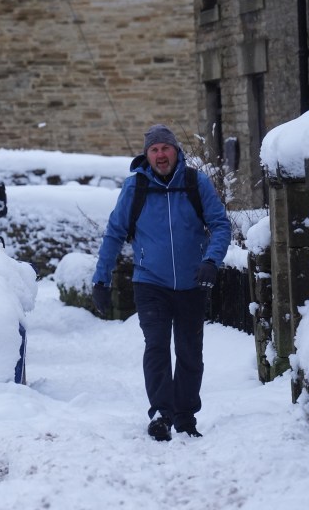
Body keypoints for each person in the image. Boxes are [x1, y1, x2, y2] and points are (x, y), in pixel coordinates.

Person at [92, 124, 231, 442]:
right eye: (153, 150)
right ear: (147, 155)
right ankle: (160, 413)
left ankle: (185, 416)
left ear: (175, 151)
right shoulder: (136, 187)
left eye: (164, 148)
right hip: (150, 282)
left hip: (192, 282)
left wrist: (211, 261)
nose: (160, 155)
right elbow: (114, 233)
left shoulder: (197, 183)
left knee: (189, 351)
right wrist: (101, 281)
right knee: (156, 345)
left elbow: (220, 224)